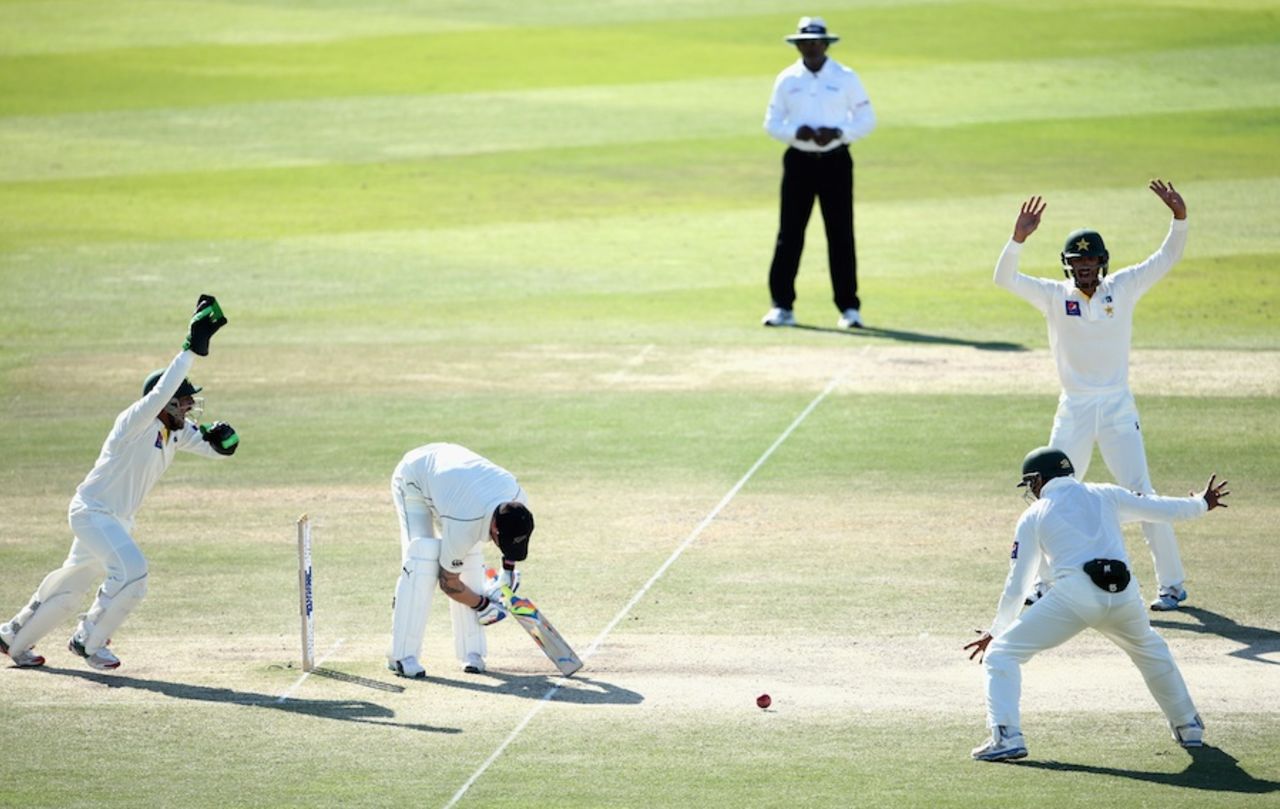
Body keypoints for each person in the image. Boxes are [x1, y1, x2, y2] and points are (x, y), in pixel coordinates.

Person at [0, 296, 236, 671]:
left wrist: (223, 441)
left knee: (67, 592)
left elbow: (215, 448)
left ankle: (14, 637)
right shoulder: (136, 420)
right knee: (133, 575)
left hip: (115, 521)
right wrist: (191, 349)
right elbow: (161, 392)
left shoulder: (175, 431)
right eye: (184, 402)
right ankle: (88, 641)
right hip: (92, 512)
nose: (190, 408)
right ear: (164, 403)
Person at [994, 179, 1193, 611]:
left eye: (1090, 260)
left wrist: (1179, 219)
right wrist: (1018, 239)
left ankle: (1173, 585)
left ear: (1102, 262)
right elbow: (1004, 278)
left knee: (1142, 495)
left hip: (1118, 406)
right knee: (1055, 493)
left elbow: (1166, 258)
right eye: (1076, 261)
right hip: (1075, 406)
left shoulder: (1121, 288)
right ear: (1067, 265)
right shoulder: (1054, 296)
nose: (1084, 268)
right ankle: (1046, 583)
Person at [964, 447, 1229, 762]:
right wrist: (1201, 504)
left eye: (1030, 483)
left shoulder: (1035, 514)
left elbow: (1018, 583)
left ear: (1037, 479)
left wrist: (997, 631)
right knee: (1151, 651)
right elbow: (1158, 507)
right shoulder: (1105, 494)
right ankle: (1189, 727)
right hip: (1124, 593)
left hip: (1074, 596)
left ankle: (1006, 737)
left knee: (1001, 654)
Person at [761, 16, 876, 330]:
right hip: (798, 161)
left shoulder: (846, 77)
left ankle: (849, 309)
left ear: (826, 44)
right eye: (805, 42)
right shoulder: (787, 79)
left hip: (836, 162)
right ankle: (782, 306)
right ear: (798, 45)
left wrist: (838, 133)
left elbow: (867, 119)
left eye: (816, 42)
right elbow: (771, 123)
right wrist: (799, 133)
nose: (811, 47)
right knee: (790, 234)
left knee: (840, 234)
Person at [386, 442, 535, 678]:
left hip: (453, 485)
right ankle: (401, 656)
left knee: (470, 558)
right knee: (421, 561)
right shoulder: (465, 521)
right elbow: (449, 583)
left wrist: (506, 576)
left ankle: (471, 654)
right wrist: (483, 605)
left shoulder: (517, 499)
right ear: (495, 528)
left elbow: (511, 538)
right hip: (414, 479)